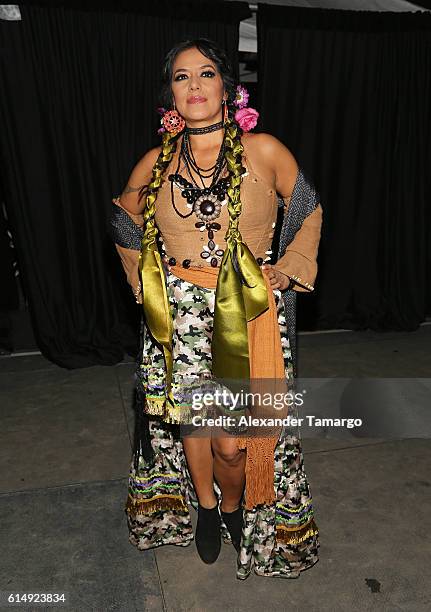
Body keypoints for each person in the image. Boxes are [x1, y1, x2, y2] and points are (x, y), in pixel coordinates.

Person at [110, 38, 323, 580]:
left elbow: (308, 207)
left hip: (248, 315)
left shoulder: (265, 150)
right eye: (182, 77)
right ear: (171, 94)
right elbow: (122, 219)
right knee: (194, 428)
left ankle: (232, 505)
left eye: (206, 74)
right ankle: (206, 506)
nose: (195, 85)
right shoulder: (157, 162)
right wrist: (144, 281)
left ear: (227, 87)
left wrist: (288, 266)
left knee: (232, 443)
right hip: (179, 318)